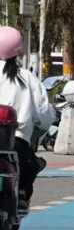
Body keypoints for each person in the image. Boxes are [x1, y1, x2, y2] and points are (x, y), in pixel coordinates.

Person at [0, 27, 54, 211]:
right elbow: (43, 113)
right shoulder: (27, 77)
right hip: (16, 141)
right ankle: (22, 193)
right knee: (30, 163)